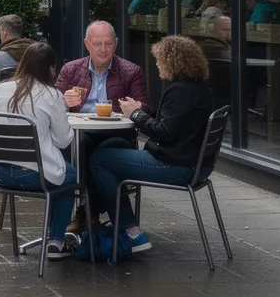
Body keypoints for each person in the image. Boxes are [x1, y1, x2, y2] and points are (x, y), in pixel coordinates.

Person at [90, 35, 215, 253]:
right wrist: (141, 110)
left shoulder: (180, 91)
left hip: (176, 165)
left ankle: (130, 231)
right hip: (196, 165)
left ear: (171, 61)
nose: (157, 64)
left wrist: (135, 114)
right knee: (109, 150)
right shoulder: (195, 88)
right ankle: (119, 223)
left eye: (159, 60)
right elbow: (171, 121)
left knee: (99, 159)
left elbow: (164, 133)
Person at [55, 20, 150, 233]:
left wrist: (136, 107)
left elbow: (146, 108)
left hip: (116, 135)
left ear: (116, 44)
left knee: (94, 153)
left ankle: (86, 212)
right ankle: (87, 215)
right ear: (87, 44)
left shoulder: (131, 71)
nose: (103, 49)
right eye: (97, 44)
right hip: (79, 133)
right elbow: (51, 105)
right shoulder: (71, 69)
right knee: (71, 149)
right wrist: (63, 100)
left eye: (108, 43)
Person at [0, 42, 78, 261]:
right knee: (70, 176)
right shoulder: (52, 94)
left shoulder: (1, 89)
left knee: (61, 173)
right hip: (31, 174)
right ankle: (56, 241)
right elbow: (63, 140)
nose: (55, 72)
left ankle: (53, 236)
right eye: (54, 67)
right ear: (48, 68)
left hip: (0, 171)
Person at [0, 14, 36, 90]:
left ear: (4, 32)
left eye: (0, 32)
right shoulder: (34, 52)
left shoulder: (0, 57)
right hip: (32, 96)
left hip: (6, 99)